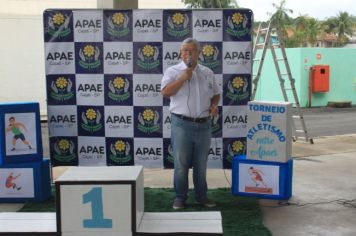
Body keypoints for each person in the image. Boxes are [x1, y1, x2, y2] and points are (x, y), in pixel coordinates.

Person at [161, 38, 221, 210]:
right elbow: (165, 92)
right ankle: (180, 197)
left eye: (192, 50)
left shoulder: (208, 72)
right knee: (181, 165)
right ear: (180, 53)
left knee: (201, 165)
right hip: (181, 124)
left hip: (204, 125)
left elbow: (216, 93)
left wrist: (214, 105)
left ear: (199, 53)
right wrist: (182, 79)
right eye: (184, 50)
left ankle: (201, 196)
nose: (188, 53)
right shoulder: (173, 71)